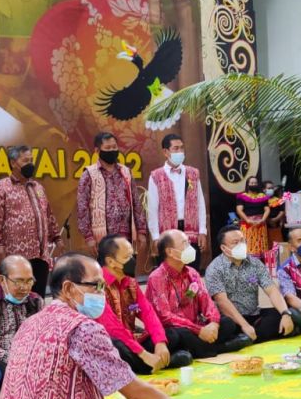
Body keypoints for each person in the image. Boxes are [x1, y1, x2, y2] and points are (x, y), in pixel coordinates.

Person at [0, 254, 206, 399]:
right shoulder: (83, 328)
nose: (102, 293)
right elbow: (136, 393)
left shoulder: (29, 324)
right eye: (97, 286)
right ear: (69, 288)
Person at [146, 230, 251, 358]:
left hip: (198, 327)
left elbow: (207, 302)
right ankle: (219, 348)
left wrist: (213, 323)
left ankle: (200, 350)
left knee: (227, 322)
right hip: (180, 329)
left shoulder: (192, 273)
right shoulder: (157, 277)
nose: (190, 247)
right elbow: (165, 317)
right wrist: (198, 330)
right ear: (170, 252)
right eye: (185, 243)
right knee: (177, 335)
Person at [97, 235, 192, 374]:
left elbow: (148, 312)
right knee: (118, 347)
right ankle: (151, 364)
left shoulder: (130, 282)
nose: (132, 260)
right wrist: (143, 353)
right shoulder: (97, 286)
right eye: (127, 257)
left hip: (133, 339)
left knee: (172, 335)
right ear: (111, 262)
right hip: (110, 343)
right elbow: (113, 328)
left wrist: (160, 342)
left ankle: (155, 361)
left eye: (132, 254)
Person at [0, 144, 61, 296]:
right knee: (19, 296)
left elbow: (48, 214)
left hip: (41, 255)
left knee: (37, 296)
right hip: (16, 255)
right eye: (26, 160)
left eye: (32, 160)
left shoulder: (37, 187)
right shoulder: (1, 187)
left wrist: (57, 236)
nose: (30, 164)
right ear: (13, 163)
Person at [204, 225, 296, 342]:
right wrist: (244, 325)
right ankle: (248, 337)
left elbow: (272, 290)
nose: (241, 245)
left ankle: (245, 339)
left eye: (242, 241)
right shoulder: (214, 268)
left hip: (254, 316)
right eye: (235, 242)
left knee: (283, 314)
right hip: (232, 319)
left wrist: (285, 313)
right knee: (226, 326)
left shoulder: (255, 263)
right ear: (223, 248)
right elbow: (222, 301)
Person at [77, 131, 149, 255]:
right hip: (103, 239)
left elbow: (136, 203)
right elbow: (82, 208)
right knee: (107, 273)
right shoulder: (89, 174)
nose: (112, 150)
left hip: (126, 238)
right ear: (97, 151)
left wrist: (141, 231)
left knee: (127, 272)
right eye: (108, 148)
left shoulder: (126, 172)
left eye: (114, 147)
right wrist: (89, 237)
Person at [147, 133, 207, 270]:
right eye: (175, 148)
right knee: (170, 272)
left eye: (181, 148)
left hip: (191, 232)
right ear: (165, 152)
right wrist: (156, 237)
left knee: (192, 271)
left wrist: (202, 231)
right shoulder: (156, 176)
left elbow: (200, 204)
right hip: (168, 234)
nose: (180, 152)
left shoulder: (193, 173)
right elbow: (152, 210)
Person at [235, 177, 269, 256]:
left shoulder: (262, 196)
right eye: (252, 183)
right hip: (247, 225)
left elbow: (267, 210)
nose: (254, 184)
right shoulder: (242, 196)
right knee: (247, 247)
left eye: (255, 183)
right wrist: (247, 220)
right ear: (248, 184)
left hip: (260, 225)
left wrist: (263, 219)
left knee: (261, 247)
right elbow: (239, 210)